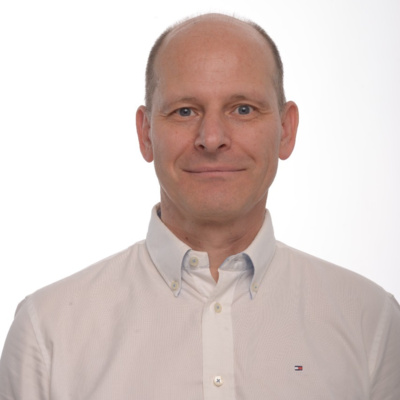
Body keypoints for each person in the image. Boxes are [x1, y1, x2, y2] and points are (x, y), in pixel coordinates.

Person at [1, 13, 399, 399]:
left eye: (243, 109)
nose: (211, 138)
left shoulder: (372, 323)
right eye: (185, 111)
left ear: (286, 130)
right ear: (146, 134)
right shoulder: (47, 333)